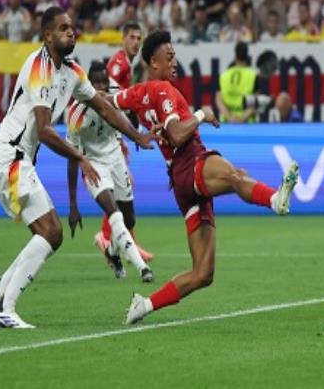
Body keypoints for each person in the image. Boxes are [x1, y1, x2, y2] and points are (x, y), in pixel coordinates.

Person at [0, 7, 153, 329]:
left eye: (71, 27)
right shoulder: (39, 67)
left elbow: (104, 107)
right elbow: (45, 130)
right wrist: (81, 158)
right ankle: (6, 307)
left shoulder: (72, 71)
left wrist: (136, 136)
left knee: (45, 233)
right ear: (47, 35)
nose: (71, 32)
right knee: (52, 232)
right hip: (9, 156)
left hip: (20, 158)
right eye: (62, 28)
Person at [117, 30, 299, 324]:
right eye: (169, 57)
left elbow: (107, 100)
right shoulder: (163, 90)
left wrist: (82, 95)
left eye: (175, 56)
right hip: (189, 162)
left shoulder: (137, 93)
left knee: (203, 273)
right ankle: (275, 200)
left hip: (181, 184)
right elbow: (177, 135)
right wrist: (201, 114)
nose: (175, 62)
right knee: (235, 175)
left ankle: (145, 305)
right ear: (153, 63)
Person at [66, 63, 154, 282]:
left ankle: (112, 252)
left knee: (129, 219)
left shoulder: (115, 94)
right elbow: (72, 158)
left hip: (115, 159)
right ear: (87, 84)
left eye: (104, 82)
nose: (101, 87)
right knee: (114, 213)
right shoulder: (76, 114)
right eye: (96, 82)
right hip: (93, 165)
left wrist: (135, 129)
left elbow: (130, 112)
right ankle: (142, 268)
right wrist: (73, 204)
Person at [215, 42, 258, 123]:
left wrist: (230, 118)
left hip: (226, 123)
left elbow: (219, 100)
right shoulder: (253, 76)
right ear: (247, 56)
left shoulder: (224, 75)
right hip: (247, 123)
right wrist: (241, 119)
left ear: (235, 56)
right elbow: (255, 102)